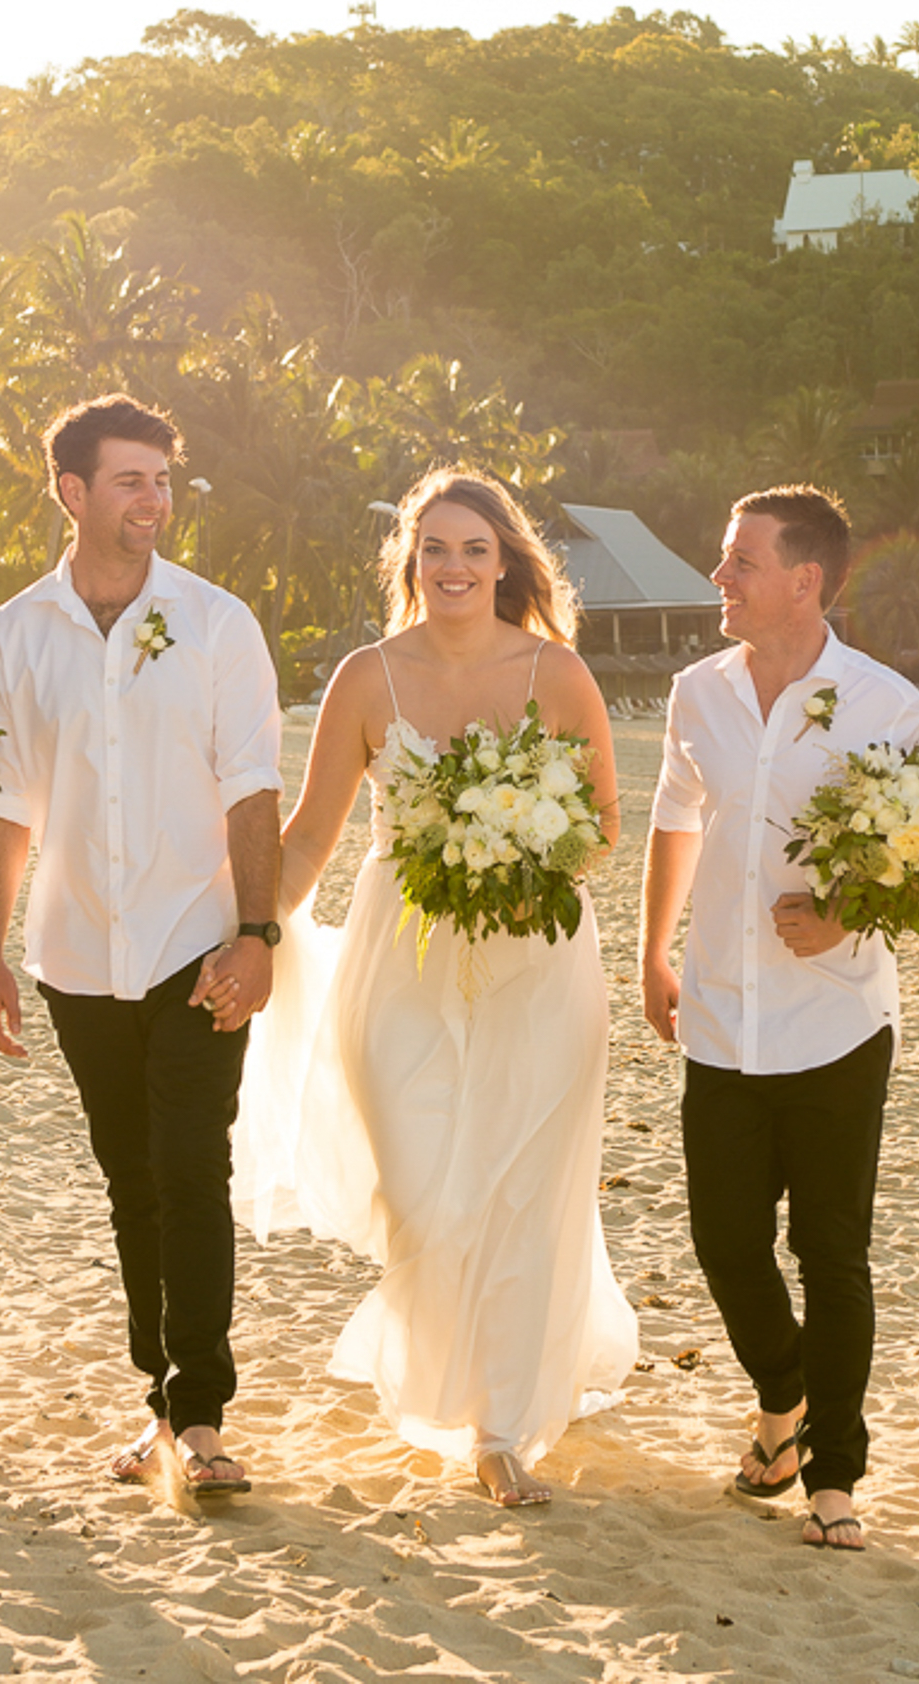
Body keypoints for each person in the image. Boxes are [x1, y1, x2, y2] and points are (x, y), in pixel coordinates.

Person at [242, 470, 638, 1507]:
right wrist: (246, 927)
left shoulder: (554, 672)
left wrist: (526, 863)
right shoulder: (368, 678)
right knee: (420, 1189)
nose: (453, 567)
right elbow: (310, 841)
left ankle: (501, 1427)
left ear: (505, 560)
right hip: (401, 961)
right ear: (410, 563)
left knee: (517, 1190)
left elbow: (600, 824)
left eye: (473, 548)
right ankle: (452, 1384)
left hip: (538, 964)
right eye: (434, 549)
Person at [0, 395, 284, 1498]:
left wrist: (258, 934)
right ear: (73, 492)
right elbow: (2, 803)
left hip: (196, 943)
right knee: (130, 1179)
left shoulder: (217, 623)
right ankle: (162, 1399)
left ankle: (199, 1413)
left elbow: (253, 789)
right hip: (75, 953)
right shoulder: (8, 636)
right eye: (130, 481)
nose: (153, 501)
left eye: (162, 480)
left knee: (193, 1167)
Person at [640, 484, 918, 1554]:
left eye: (739, 560)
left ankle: (832, 1474)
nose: (720, 577)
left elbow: (918, 852)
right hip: (718, 1011)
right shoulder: (696, 692)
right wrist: (653, 950)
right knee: (724, 1241)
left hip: (838, 1017)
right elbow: (675, 819)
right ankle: (788, 1391)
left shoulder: (887, 703)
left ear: (805, 581)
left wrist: (846, 912)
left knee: (832, 1251)